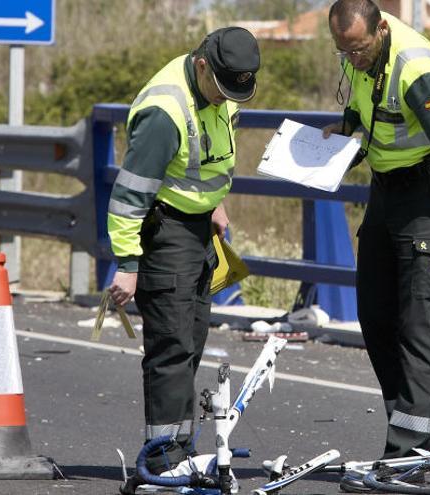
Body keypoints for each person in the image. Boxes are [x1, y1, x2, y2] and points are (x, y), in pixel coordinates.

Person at [322, 0, 430, 485]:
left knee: (419, 325)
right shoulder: (364, 62)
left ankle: (405, 456)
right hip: (385, 195)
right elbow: (369, 115)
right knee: (374, 314)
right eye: (343, 51)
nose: (353, 59)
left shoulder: (417, 69)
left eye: (359, 49)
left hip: (427, 201)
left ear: (381, 29)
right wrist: (343, 133)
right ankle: (421, 433)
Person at [106, 26, 260, 476]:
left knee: (191, 340)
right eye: (221, 88)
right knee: (170, 347)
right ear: (201, 66)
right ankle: (162, 458)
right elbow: (129, 197)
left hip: (199, 229)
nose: (225, 98)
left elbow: (210, 157)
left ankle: (177, 449)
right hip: (165, 230)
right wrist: (128, 266)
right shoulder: (164, 111)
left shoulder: (225, 89)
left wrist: (215, 204)